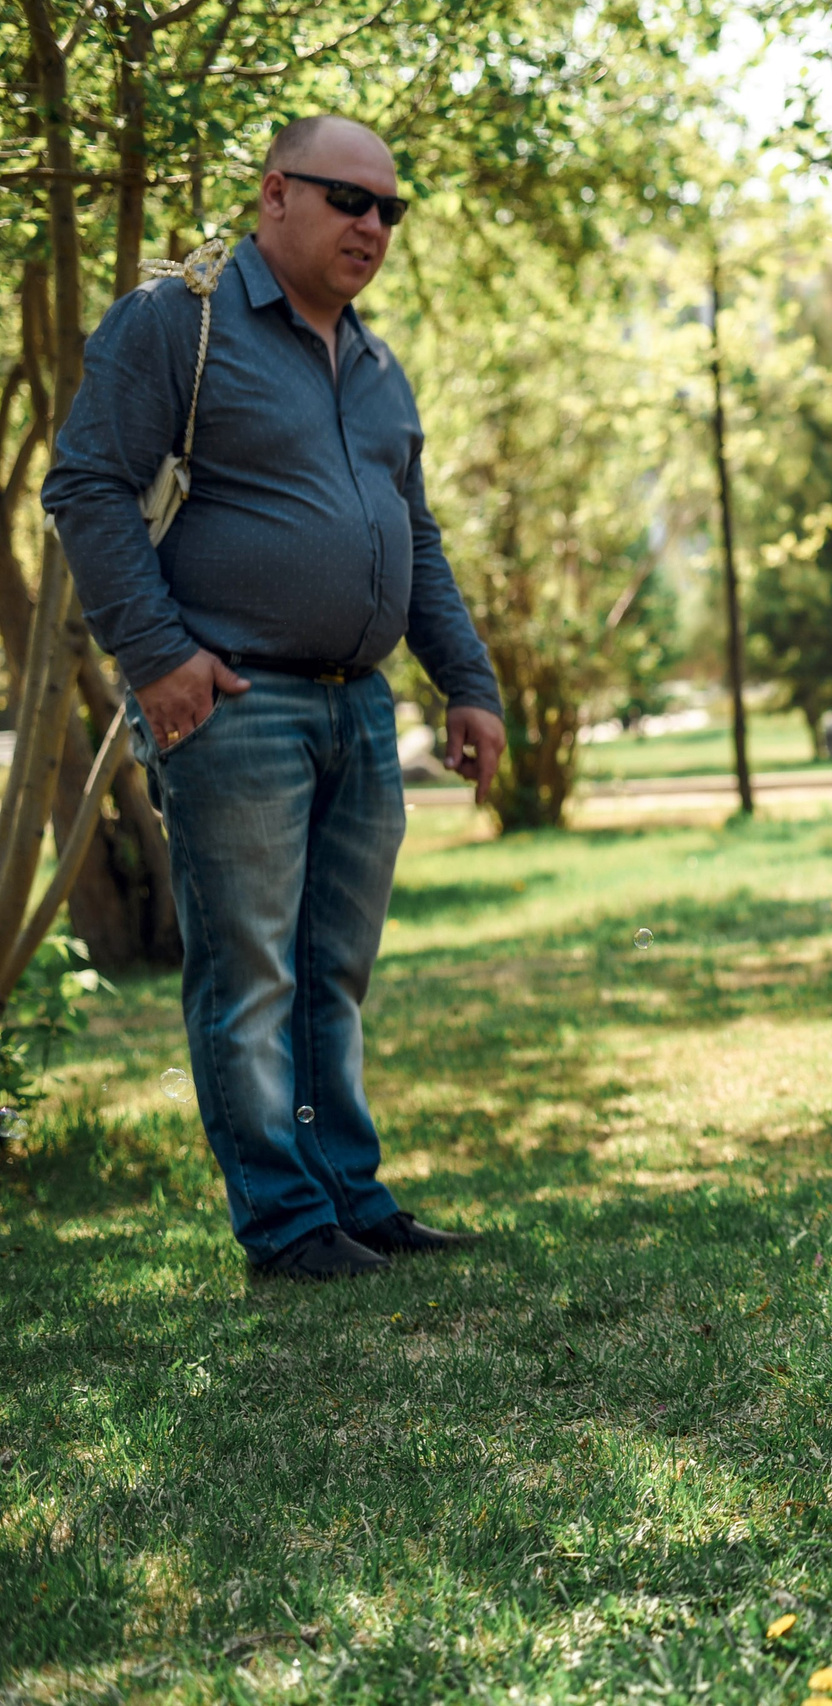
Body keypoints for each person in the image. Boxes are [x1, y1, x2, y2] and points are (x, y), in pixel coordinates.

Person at [44, 115, 505, 1281]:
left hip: (362, 708)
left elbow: (417, 534)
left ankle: (350, 1196)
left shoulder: (377, 362)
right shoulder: (177, 323)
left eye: (391, 209)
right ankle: (287, 1226)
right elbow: (87, 483)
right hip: (234, 706)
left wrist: (469, 681)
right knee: (251, 979)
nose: (372, 225)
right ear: (273, 196)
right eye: (349, 199)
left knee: (331, 977)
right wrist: (159, 658)